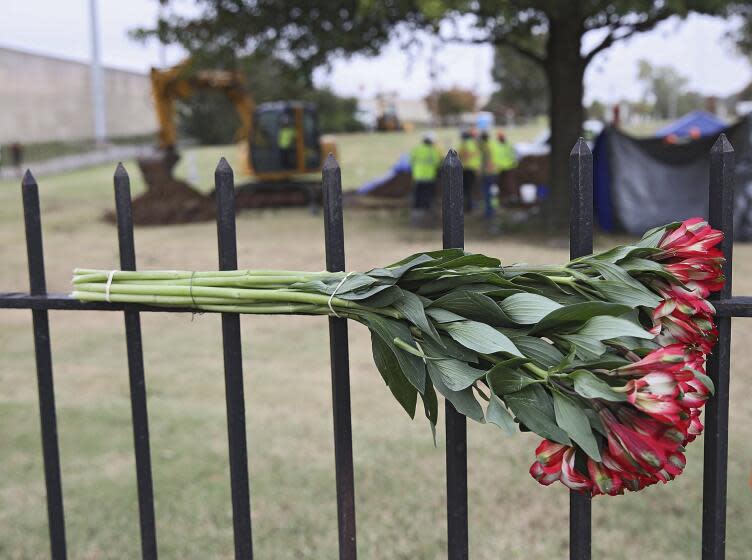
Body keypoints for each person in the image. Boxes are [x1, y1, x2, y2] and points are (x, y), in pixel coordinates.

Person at [409, 132, 442, 219]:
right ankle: (426, 214)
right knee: (428, 196)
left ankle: (417, 213)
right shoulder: (433, 151)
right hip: (429, 177)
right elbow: (438, 163)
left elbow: (411, 161)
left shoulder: (416, 149)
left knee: (418, 195)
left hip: (418, 177)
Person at [457, 129, 480, 211]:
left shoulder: (464, 144)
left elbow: (460, 155)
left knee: (466, 189)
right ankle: (470, 206)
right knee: (471, 189)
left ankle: (466, 207)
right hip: (473, 168)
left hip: (466, 169)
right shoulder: (474, 143)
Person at [493, 131, 518, 203]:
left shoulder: (507, 145)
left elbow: (513, 156)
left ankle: (510, 198)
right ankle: (504, 198)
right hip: (501, 168)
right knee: (502, 184)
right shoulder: (497, 145)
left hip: (507, 167)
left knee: (508, 183)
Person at [478, 131, 498, 219]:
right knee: (492, 193)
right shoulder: (492, 145)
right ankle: (492, 211)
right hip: (494, 172)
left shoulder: (484, 146)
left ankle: (489, 213)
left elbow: (485, 161)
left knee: (487, 194)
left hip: (487, 174)